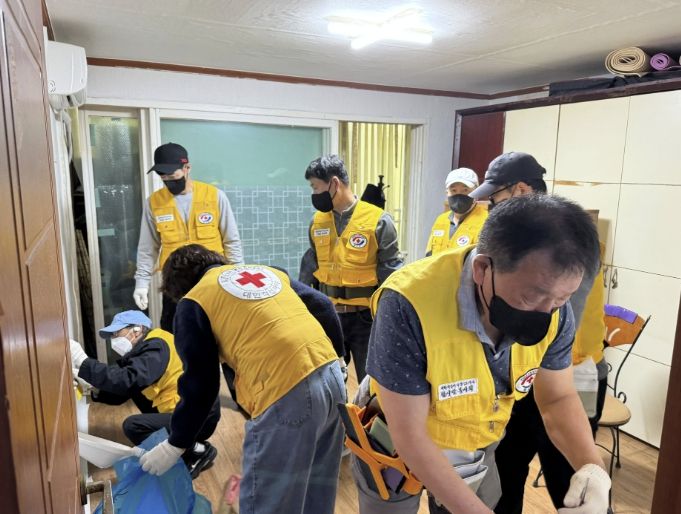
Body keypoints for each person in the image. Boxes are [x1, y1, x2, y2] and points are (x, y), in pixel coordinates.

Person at [351, 194, 610, 514]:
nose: (547, 312)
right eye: (531, 297)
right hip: (395, 444)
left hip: (474, 444)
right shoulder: (408, 302)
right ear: (483, 269)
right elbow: (410, 436)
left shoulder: (553, 306)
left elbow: (557, 398)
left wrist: (592, 468)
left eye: (562, 298)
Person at [139, 245, 346, 514]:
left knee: (267, 504)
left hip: (285, 389)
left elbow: (201, 384)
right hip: (332, 377)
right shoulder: (268, 272)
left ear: (178, 289)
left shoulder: (194, 301)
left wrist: (176, 443)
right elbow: (323, 305)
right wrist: (339, 359)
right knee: (317, 493)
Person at [468, 152, 609, 512]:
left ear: (520, 190)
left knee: (574, 481)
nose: (490, 207)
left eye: (495, 197)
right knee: (506, 470)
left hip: (570, 374)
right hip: (521, 376)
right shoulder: (517, 248)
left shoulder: (563, 246)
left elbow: (544, 327)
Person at [69, 310, 219, 478]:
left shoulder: (156, 347)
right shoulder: (145, 351)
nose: (114, 340)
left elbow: (125, 380)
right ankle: (188, 443)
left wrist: (83, 362)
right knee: (137, 389)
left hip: (199, 417)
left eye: (117, 333)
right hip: (189, 409)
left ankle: (196, 451)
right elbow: (122, 390)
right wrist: (92, 387)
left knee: (134, 426)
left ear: (137, 329)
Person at [299, 155, 404, 382]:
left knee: (371, 383)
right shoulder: (317, 222)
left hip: (365, 319)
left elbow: (391, 275)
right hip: (328, 315)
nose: (314, 194)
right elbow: (310, 266)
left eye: (315, 187)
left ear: (334, 183)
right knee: (328, 380)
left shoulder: (379, 221)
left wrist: (391, 319)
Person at [133, 142, 243, 332]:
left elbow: (231, 240)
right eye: (163, 177)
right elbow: (147, 248)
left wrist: (238, 274)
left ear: (187, 168)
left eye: (172, 175)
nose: (168, 181)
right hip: (175, 282)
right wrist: (142, 283)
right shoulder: (154, 203)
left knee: (217, 331)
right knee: (173, 332)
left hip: (212, 278)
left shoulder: (214, 196)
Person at [425, 167, 487, 256]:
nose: (459, 195)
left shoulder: (485, 222)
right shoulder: (441, 220)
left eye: (465, 190)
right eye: (453, 190)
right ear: (447, 193)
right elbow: (429, 256)